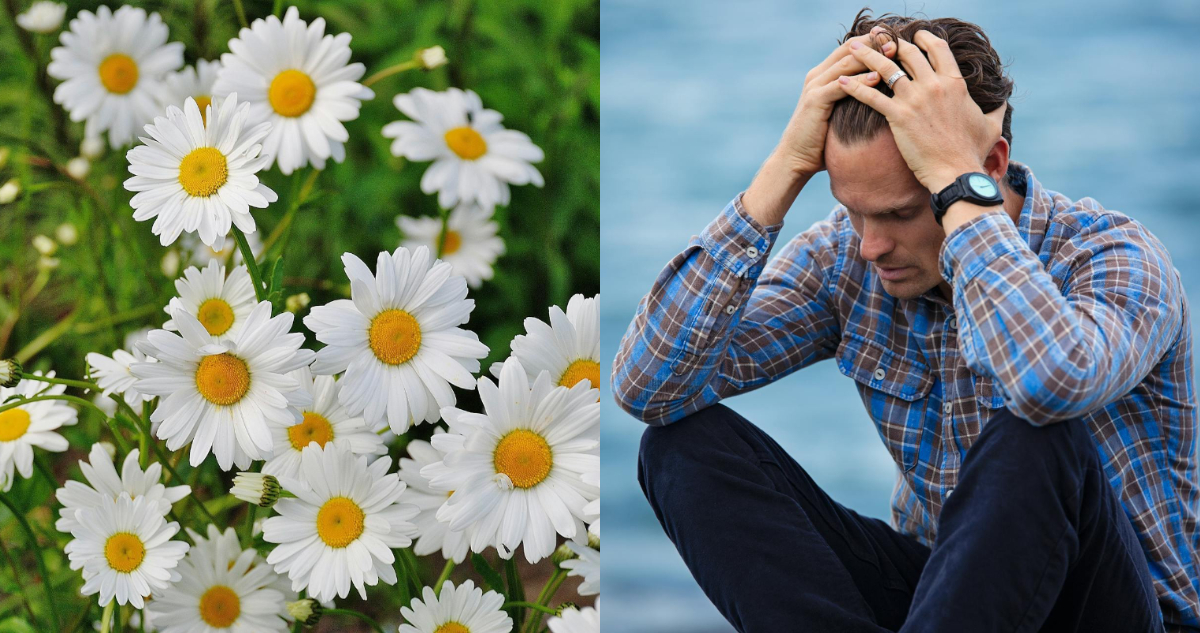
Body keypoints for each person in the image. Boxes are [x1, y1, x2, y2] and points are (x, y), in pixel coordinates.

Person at [611, 9, 1199, 633]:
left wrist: (954, 183)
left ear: (990, 167)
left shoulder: (1116, 258)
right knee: (681, 448)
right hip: (947, 601)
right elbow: (648, 387)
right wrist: (784, 166)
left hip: (1116, 613)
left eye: (898, 213)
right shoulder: (848, 257)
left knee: (1037, 431)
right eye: (854, 212)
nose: (870, 245)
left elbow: (1045, 382)